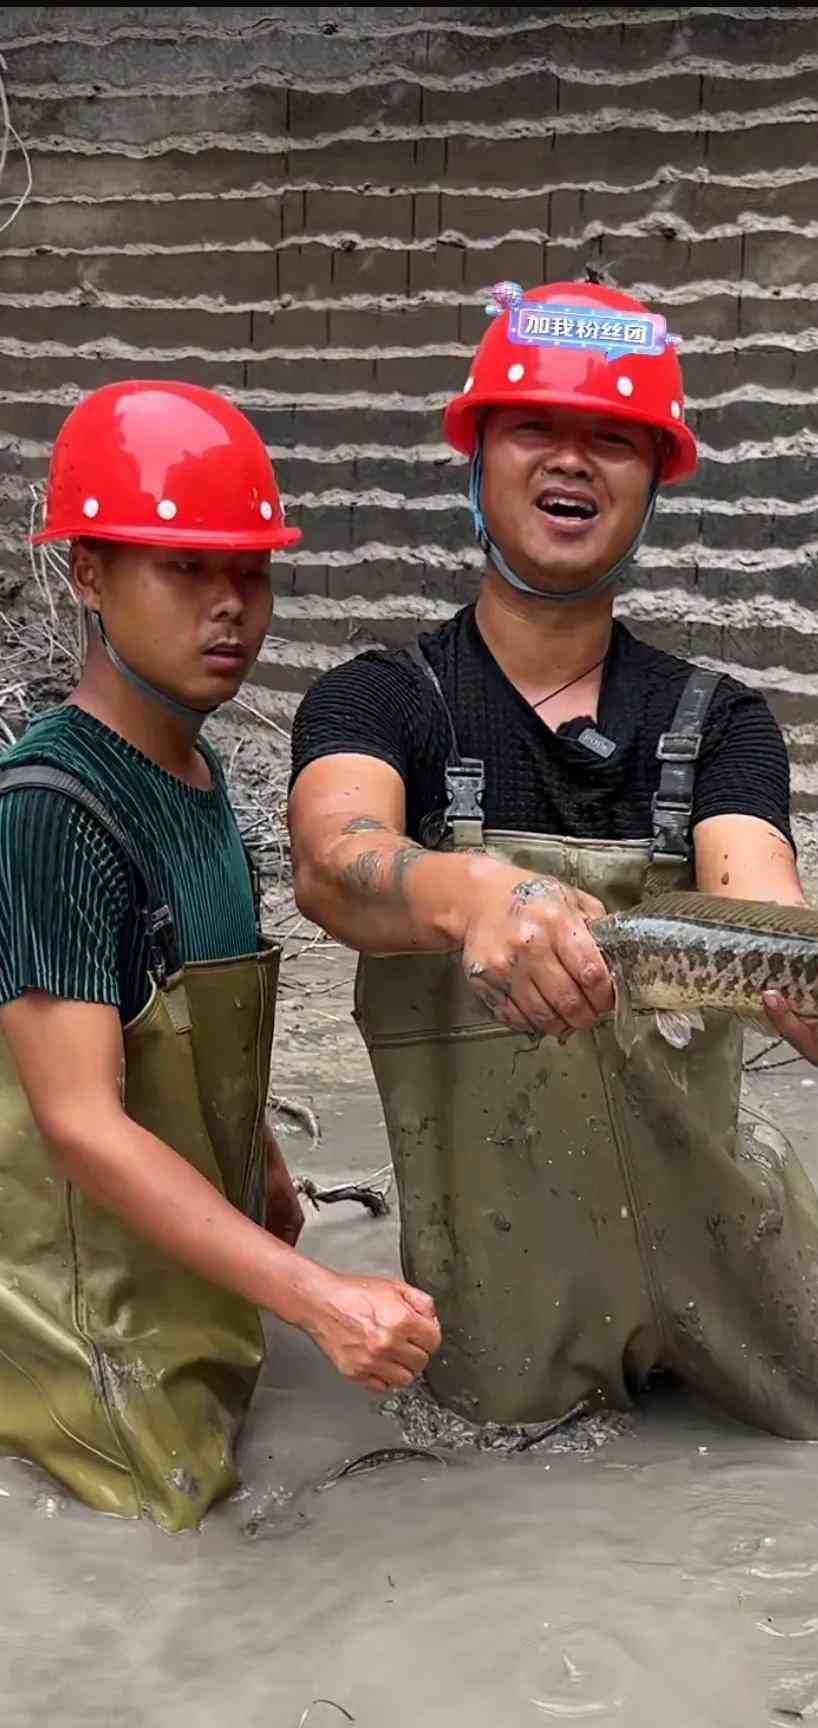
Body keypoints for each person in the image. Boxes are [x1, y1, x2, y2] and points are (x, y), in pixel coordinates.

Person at [289, 280, 818, 1437]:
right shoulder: (384, 701)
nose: (572, 463)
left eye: (613, 440)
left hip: (730, 1244)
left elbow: (762, 906)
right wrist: (470, 890)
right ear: (478, 455)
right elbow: (337, 861)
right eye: (537, 428)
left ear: (656, 478)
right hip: (499, 1277)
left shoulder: (723, 721)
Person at [0, 380, 440, 1532]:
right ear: (89, 573)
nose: (230, 606)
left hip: (196, 1301)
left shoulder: (197, 781)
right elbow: (80, 1126)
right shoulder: (52, 807)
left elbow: (195, 1028)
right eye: (184, 568)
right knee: (174, 1564)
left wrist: (269, 1178)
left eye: (249, 570)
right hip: (96, 1347)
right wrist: (322, 1299)